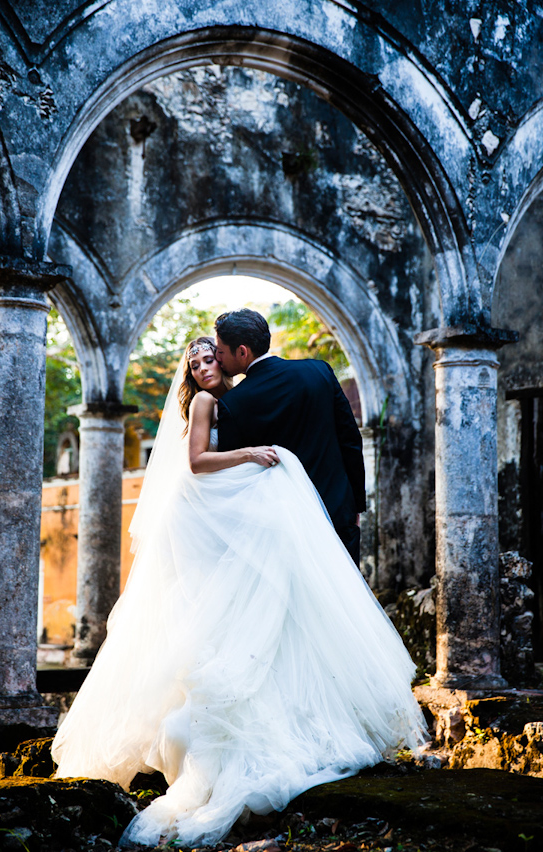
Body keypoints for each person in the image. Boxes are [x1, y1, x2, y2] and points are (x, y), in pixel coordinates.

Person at [51, 336, 427, 849]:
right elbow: (196, 460)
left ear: (233, 357)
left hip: (230, 502)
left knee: (244, 609)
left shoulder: (239, 397)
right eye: (198, 362)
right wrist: (251, 454)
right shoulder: (209, 402)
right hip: (203, 506)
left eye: (212, 357)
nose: (207, 367)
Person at [214, 309, 365, 564]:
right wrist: (355, 503)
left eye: (220, 351)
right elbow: (350, 439)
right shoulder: (319, 372)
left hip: (280, 530)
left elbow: (235, 479)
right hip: (338, 511)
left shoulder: (232, 404)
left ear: (242, 351)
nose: (217, 359)